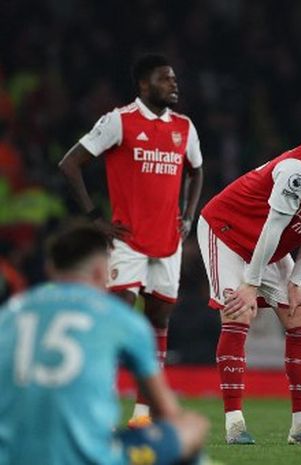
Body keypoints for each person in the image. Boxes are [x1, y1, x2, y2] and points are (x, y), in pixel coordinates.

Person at [197, 106, 301, 445]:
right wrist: (250, 284)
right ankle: (234, 424)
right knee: (239, 310)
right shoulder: (298, 172)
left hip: (268, 245)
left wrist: (296, 281)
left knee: (300, 311)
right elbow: (273, 226)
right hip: (227, 231)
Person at [58, 54, 204, 425]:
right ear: (143, 85)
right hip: (128, 239)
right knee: (117, 313)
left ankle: (143, 412)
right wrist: (96, 220)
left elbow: (197, 170)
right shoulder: (118, 121)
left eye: (174, 79)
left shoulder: (184, 127)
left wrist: (188, 215)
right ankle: (100, 398)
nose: (174, 84)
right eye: (165, 79)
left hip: (168, 241)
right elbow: (70, 163)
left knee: (158, 320)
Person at [0, 222, 210, 465]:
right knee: (190, 428)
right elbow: (166, 413)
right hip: (91, 457)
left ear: (49, 269)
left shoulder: (10, 313)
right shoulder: (120, 318)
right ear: (102, 272)